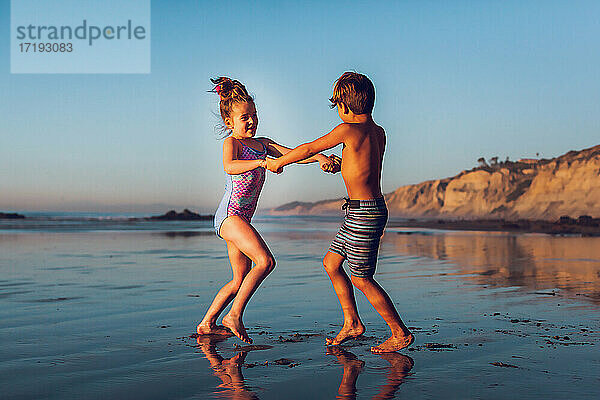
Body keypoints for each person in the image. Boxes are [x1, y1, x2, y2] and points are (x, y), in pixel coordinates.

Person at [266, 72, 414, 353]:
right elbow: (362, 167)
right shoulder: (377, 131)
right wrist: (338, 164)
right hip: (362, 210)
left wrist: (280, 162)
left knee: (361, 278)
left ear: (343, 106)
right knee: (332, 263)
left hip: (364, 214)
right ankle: (352, 322)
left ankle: (399, 333)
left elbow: (310, 147)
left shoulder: (346, 129)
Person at [196, 77, 338, 344]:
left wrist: (318, 157)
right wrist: (262, 163)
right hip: (229, 216)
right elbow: (230, 166)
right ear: (230, 122)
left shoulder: (263, 143)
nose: (251, 121)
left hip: (241, 219)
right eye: (244, 117)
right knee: (265, 262)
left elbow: (293, 155)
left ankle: (206, 324)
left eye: (254, 115)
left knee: (239, 278)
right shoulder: (233, 144)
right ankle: (233, 315)